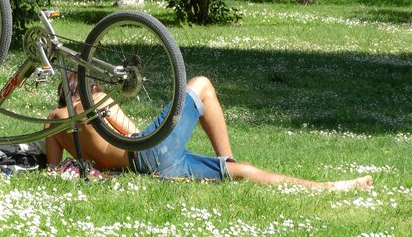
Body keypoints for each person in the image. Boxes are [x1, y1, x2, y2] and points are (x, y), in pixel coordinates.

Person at [45, 72, 372, 191]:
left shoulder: (52, 122)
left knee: (239, 175)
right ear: (89, 87)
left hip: (143, 169)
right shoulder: (96, 100)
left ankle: (328, 186)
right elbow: (134, 133)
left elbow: (55, 168)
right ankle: (327, 186)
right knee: (201, 85)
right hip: (147, 153)